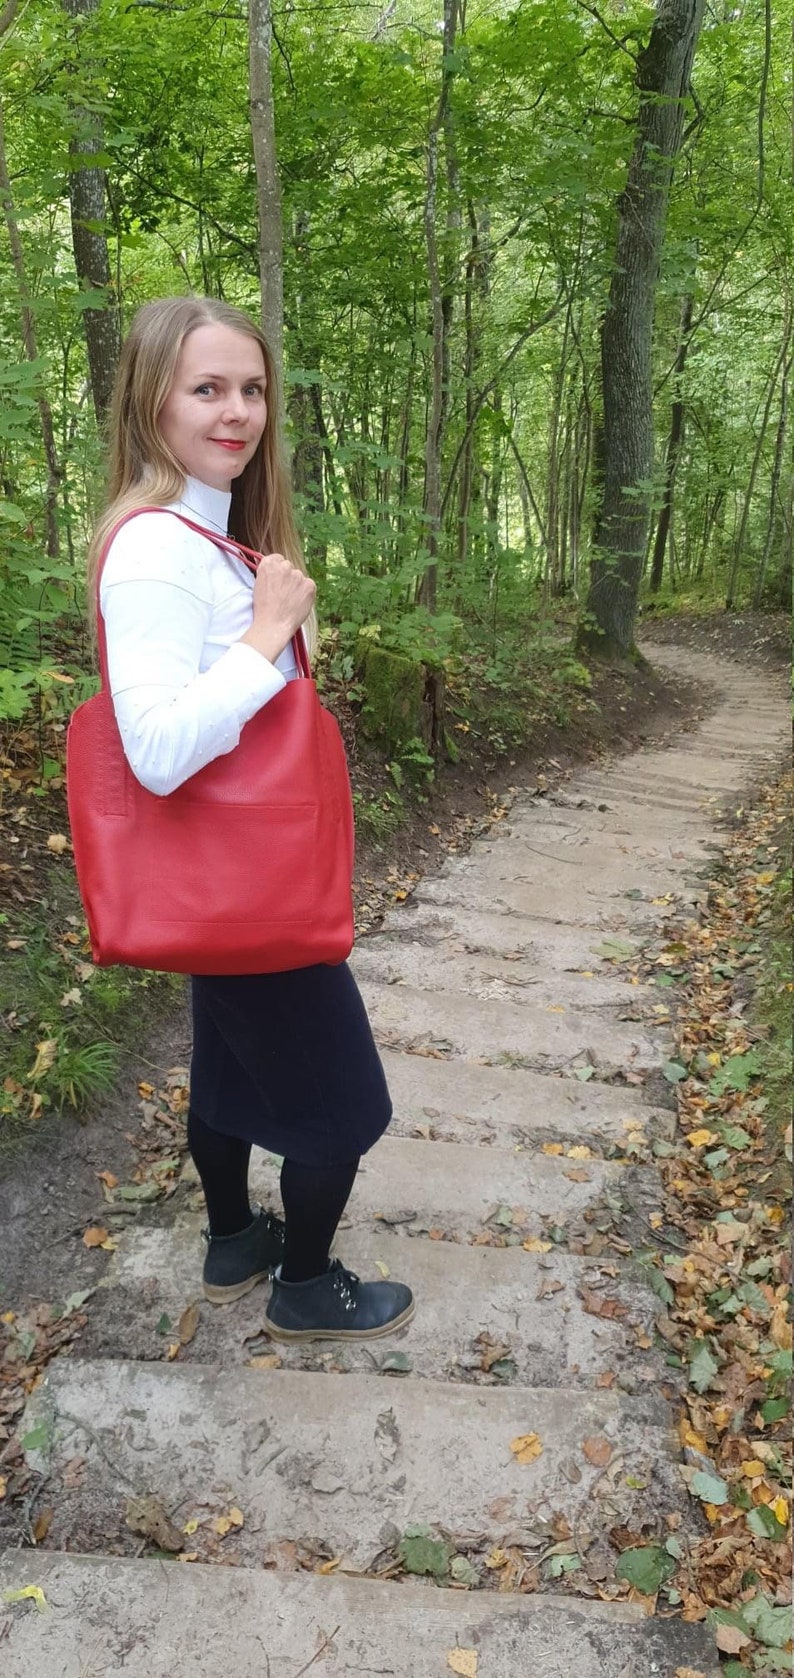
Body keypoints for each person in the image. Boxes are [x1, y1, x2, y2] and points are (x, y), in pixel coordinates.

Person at [88, 295, 414, 1343]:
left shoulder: (207, 536)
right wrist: (268, 633)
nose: (238, 412)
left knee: (227, 1069)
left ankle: (235, 1241)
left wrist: (266, 618)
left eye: (252, 388)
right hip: (248, 884)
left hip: (222, 882)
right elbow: (157, 748)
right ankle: (306, 1286)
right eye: (206, 388)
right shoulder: (156, 552)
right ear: (151, 402)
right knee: (346, 1110)